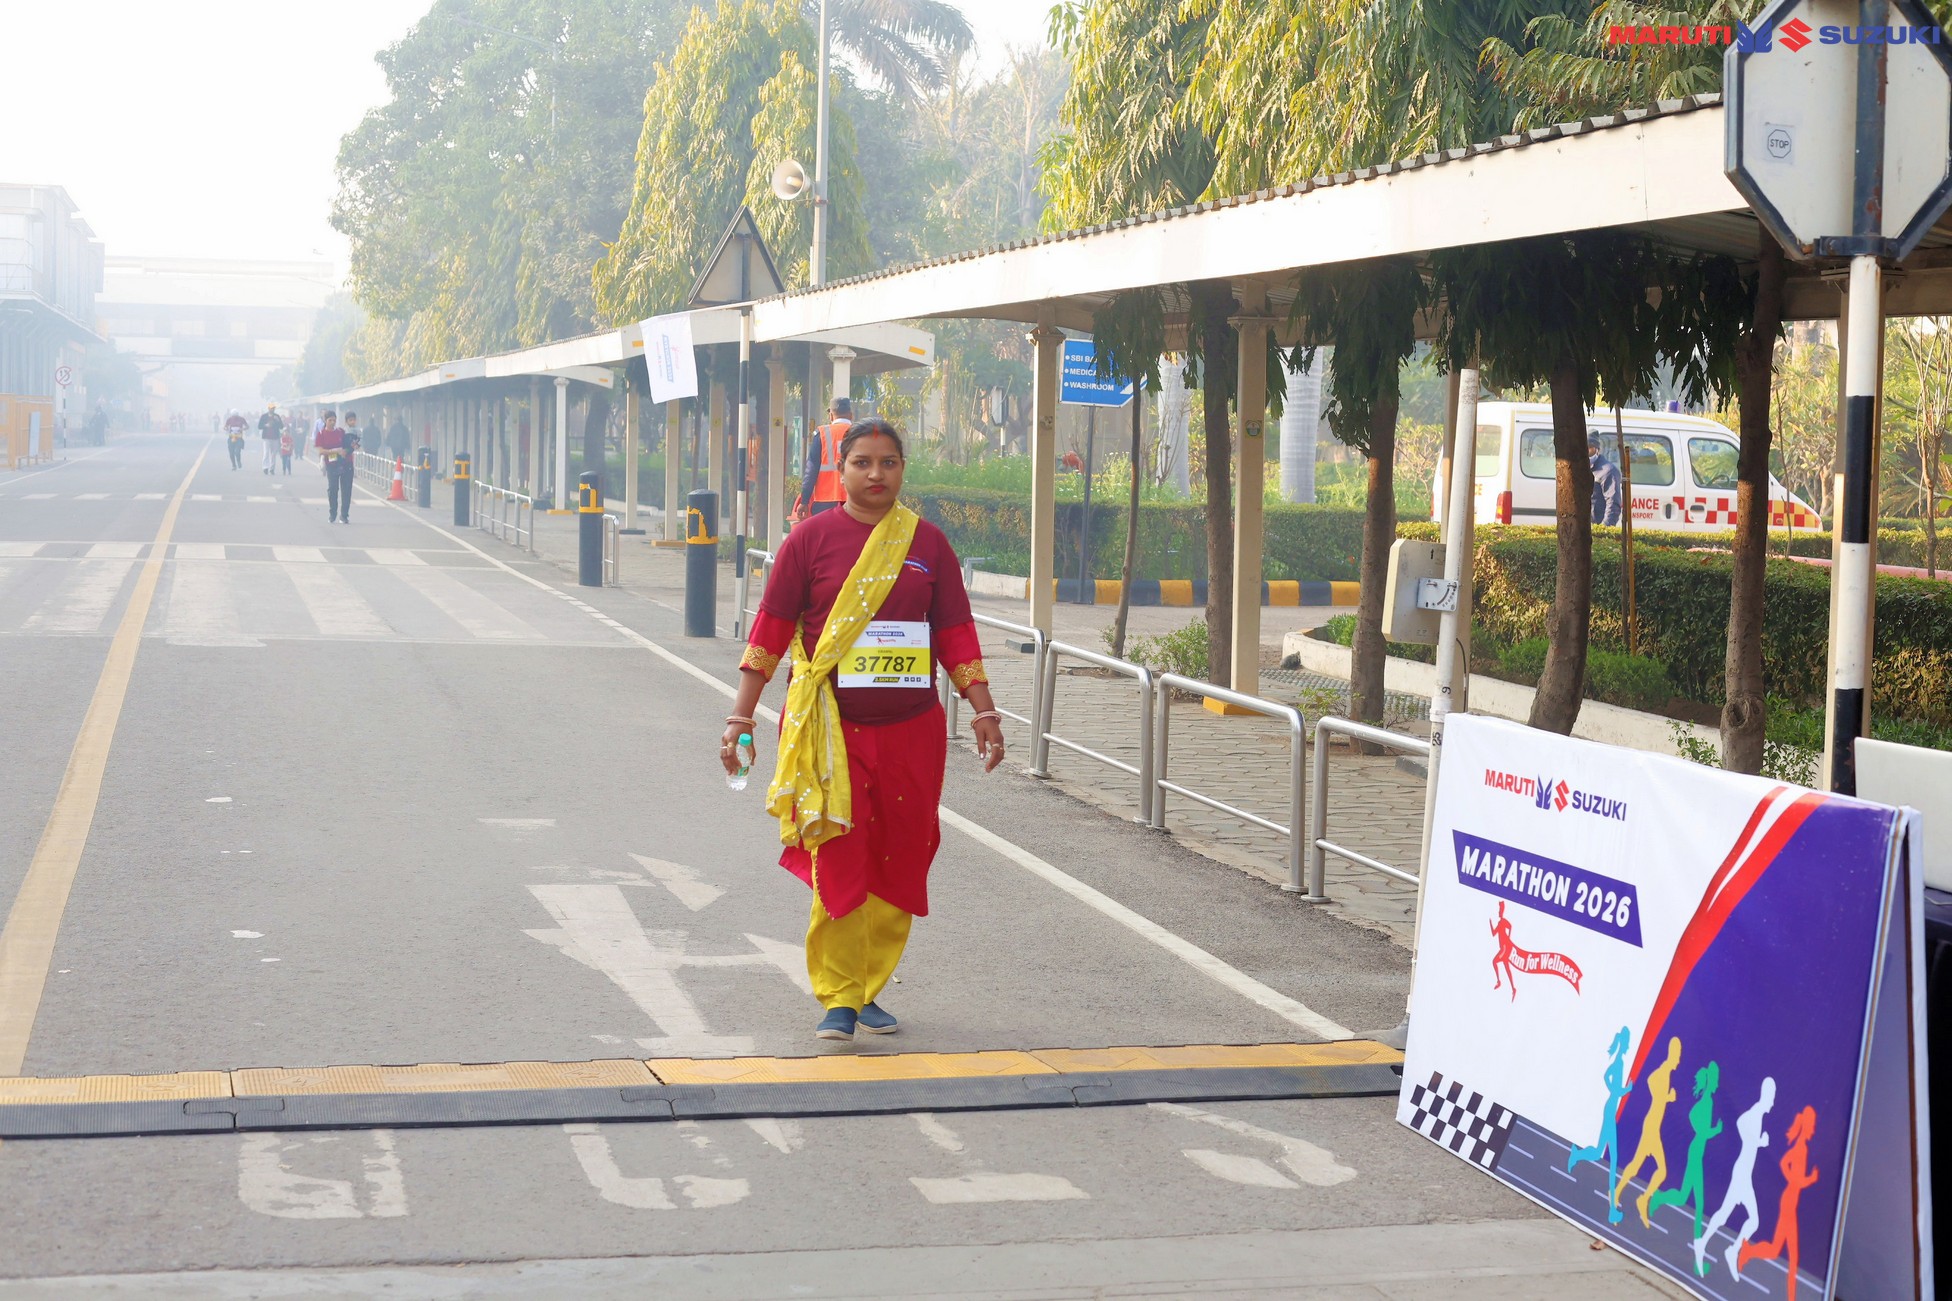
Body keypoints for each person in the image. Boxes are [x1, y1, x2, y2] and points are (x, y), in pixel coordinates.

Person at [723, 418, 1006, 1041]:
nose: (876, 473)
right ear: (842, 470)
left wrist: (984, 710)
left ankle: (869, 986)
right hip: (831, 732)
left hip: (912, 733)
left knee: (901, 855)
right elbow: (770, 631)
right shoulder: (810, 540)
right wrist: (741, 718)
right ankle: (840, 996)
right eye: (862, 462)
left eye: (889, 462)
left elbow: (956, 633)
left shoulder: (927, 544)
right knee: (841, 855)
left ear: (902, 469)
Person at [795, 397, 852, 519]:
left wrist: (804, 501)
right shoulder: (861, 433)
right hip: (853, 500)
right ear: (851, 415)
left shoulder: (822, 434)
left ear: (831, 415)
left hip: (825, 502)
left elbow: (811, 470)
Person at [315, 410, 353, 523]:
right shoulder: (321, 434)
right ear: (325, 421)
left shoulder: (341, 432)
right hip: (332, 465)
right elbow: (320, 451)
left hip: (345, 463)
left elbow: (349, 445)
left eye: (334, 420)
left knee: (346, 490)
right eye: (330, 420)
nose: (332, 422)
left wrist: (347, 450)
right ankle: (333, 513)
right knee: (333, 489)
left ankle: (344, 515)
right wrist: (333, 451)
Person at [1589, 434, 1624, 527]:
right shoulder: (1578, 468)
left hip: (1597, 526)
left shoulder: (1608, 471)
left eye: (1590, 447)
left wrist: (1605, 529)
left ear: (1597, 449)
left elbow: (1613, 503)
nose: (1585, 451)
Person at [257, 403, 285, 475]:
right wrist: (265, 425)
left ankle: (272, 468)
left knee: (273, 454)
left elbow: (281, 427)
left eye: (273, 408)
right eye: (271, 408)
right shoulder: (264, 416)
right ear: (268, 408)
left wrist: (278, 420)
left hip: (275, 437)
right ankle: (265, 467)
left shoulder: (277, 416)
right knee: (266, 452)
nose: (272, 409)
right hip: (266, 437)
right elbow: (259, 426)